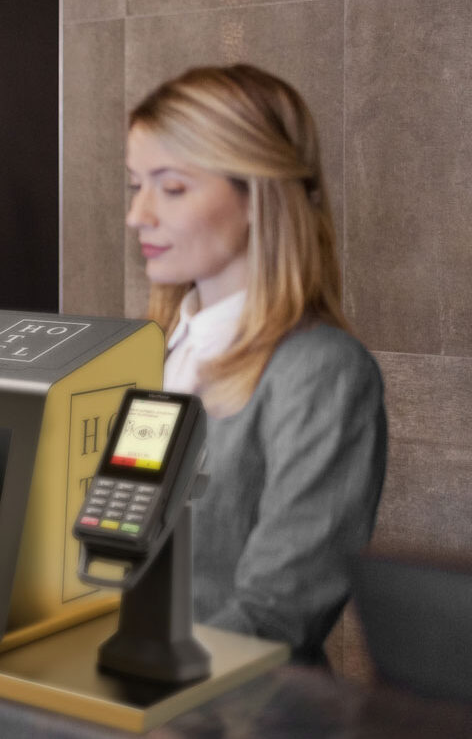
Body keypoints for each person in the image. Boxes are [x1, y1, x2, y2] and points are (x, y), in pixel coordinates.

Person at [124, 64, 386, 664]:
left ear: (256, 197)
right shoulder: (158, 352)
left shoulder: (323, 371)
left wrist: (137, 687)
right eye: (134, 185)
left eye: (171, 187)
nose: (139, 215)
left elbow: (279, 610)